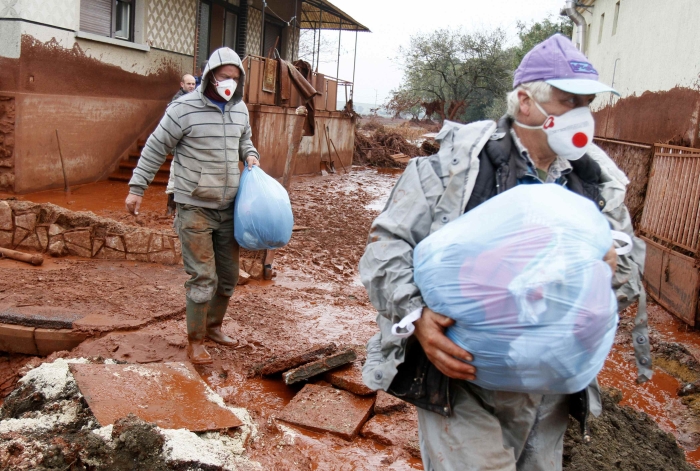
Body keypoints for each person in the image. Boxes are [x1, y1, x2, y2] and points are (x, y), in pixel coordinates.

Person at [359, 34, 650, 471]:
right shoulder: (458, 165)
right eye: (569, 101)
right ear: (525, 102)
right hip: (461, 380)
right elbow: (386, 247)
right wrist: (416, 318)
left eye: (588, 103)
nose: (583, 116)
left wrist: (608, 272)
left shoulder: (594, 181)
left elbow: (624, 278)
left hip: (549, 388)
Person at [125, 47, 260, 365]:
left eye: (235, 78)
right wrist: (137, 189)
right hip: (193, 206)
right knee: (203, 277)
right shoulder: (183, 109)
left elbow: (245, 140)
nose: (229, 83)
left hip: (229, 207)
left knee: (227, 277)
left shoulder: (240, 109)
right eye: (224, 77)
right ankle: (195, 341)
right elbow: (156, 148)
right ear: (210, 75)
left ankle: (213, 328)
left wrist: (249, 155)